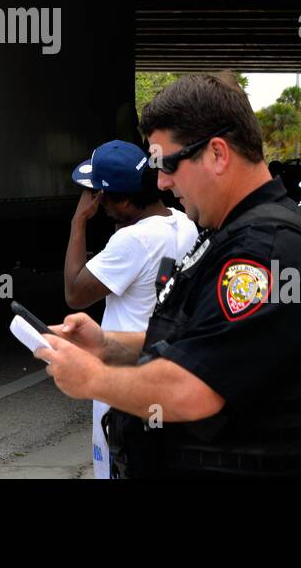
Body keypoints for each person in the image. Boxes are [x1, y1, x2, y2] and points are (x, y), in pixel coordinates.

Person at [37, 73, 301, 479]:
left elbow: (193, 388)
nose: (163, 182)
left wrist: (93, 378)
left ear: (217, 154)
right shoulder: (235, 235)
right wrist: (107, 344)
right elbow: (203, 340)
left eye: (168, 164)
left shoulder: (267, 251)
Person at [65, 139, 197, 479]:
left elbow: (74, 293)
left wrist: (78, 222)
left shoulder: (131, 242)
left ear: (123, 200)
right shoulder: (183, 223)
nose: (95, 202)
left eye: (99, 196)